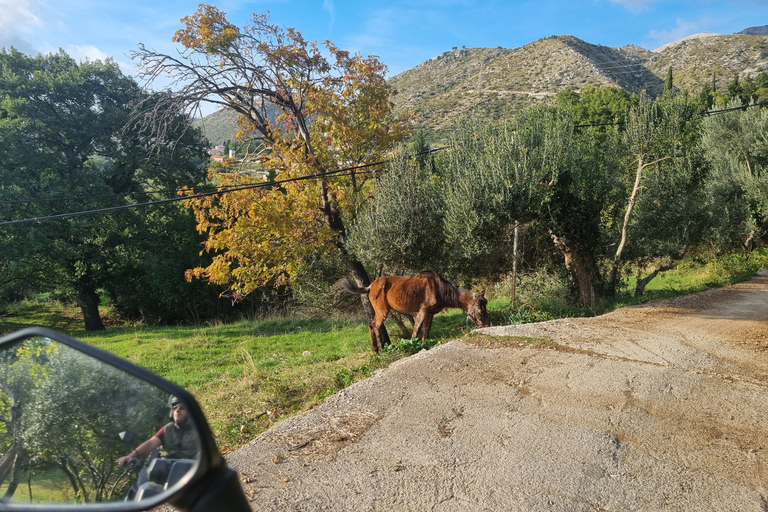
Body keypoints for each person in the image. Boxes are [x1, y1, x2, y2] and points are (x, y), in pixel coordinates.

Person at [118, 396, 199, 467]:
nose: (177, 410)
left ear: (191, 412)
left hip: (192, 470)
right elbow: (150, 444)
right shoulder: (168, 429)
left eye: (182, 407)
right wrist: (130, 456)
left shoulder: (199, 431)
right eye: (175, 408)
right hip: (165, 472)